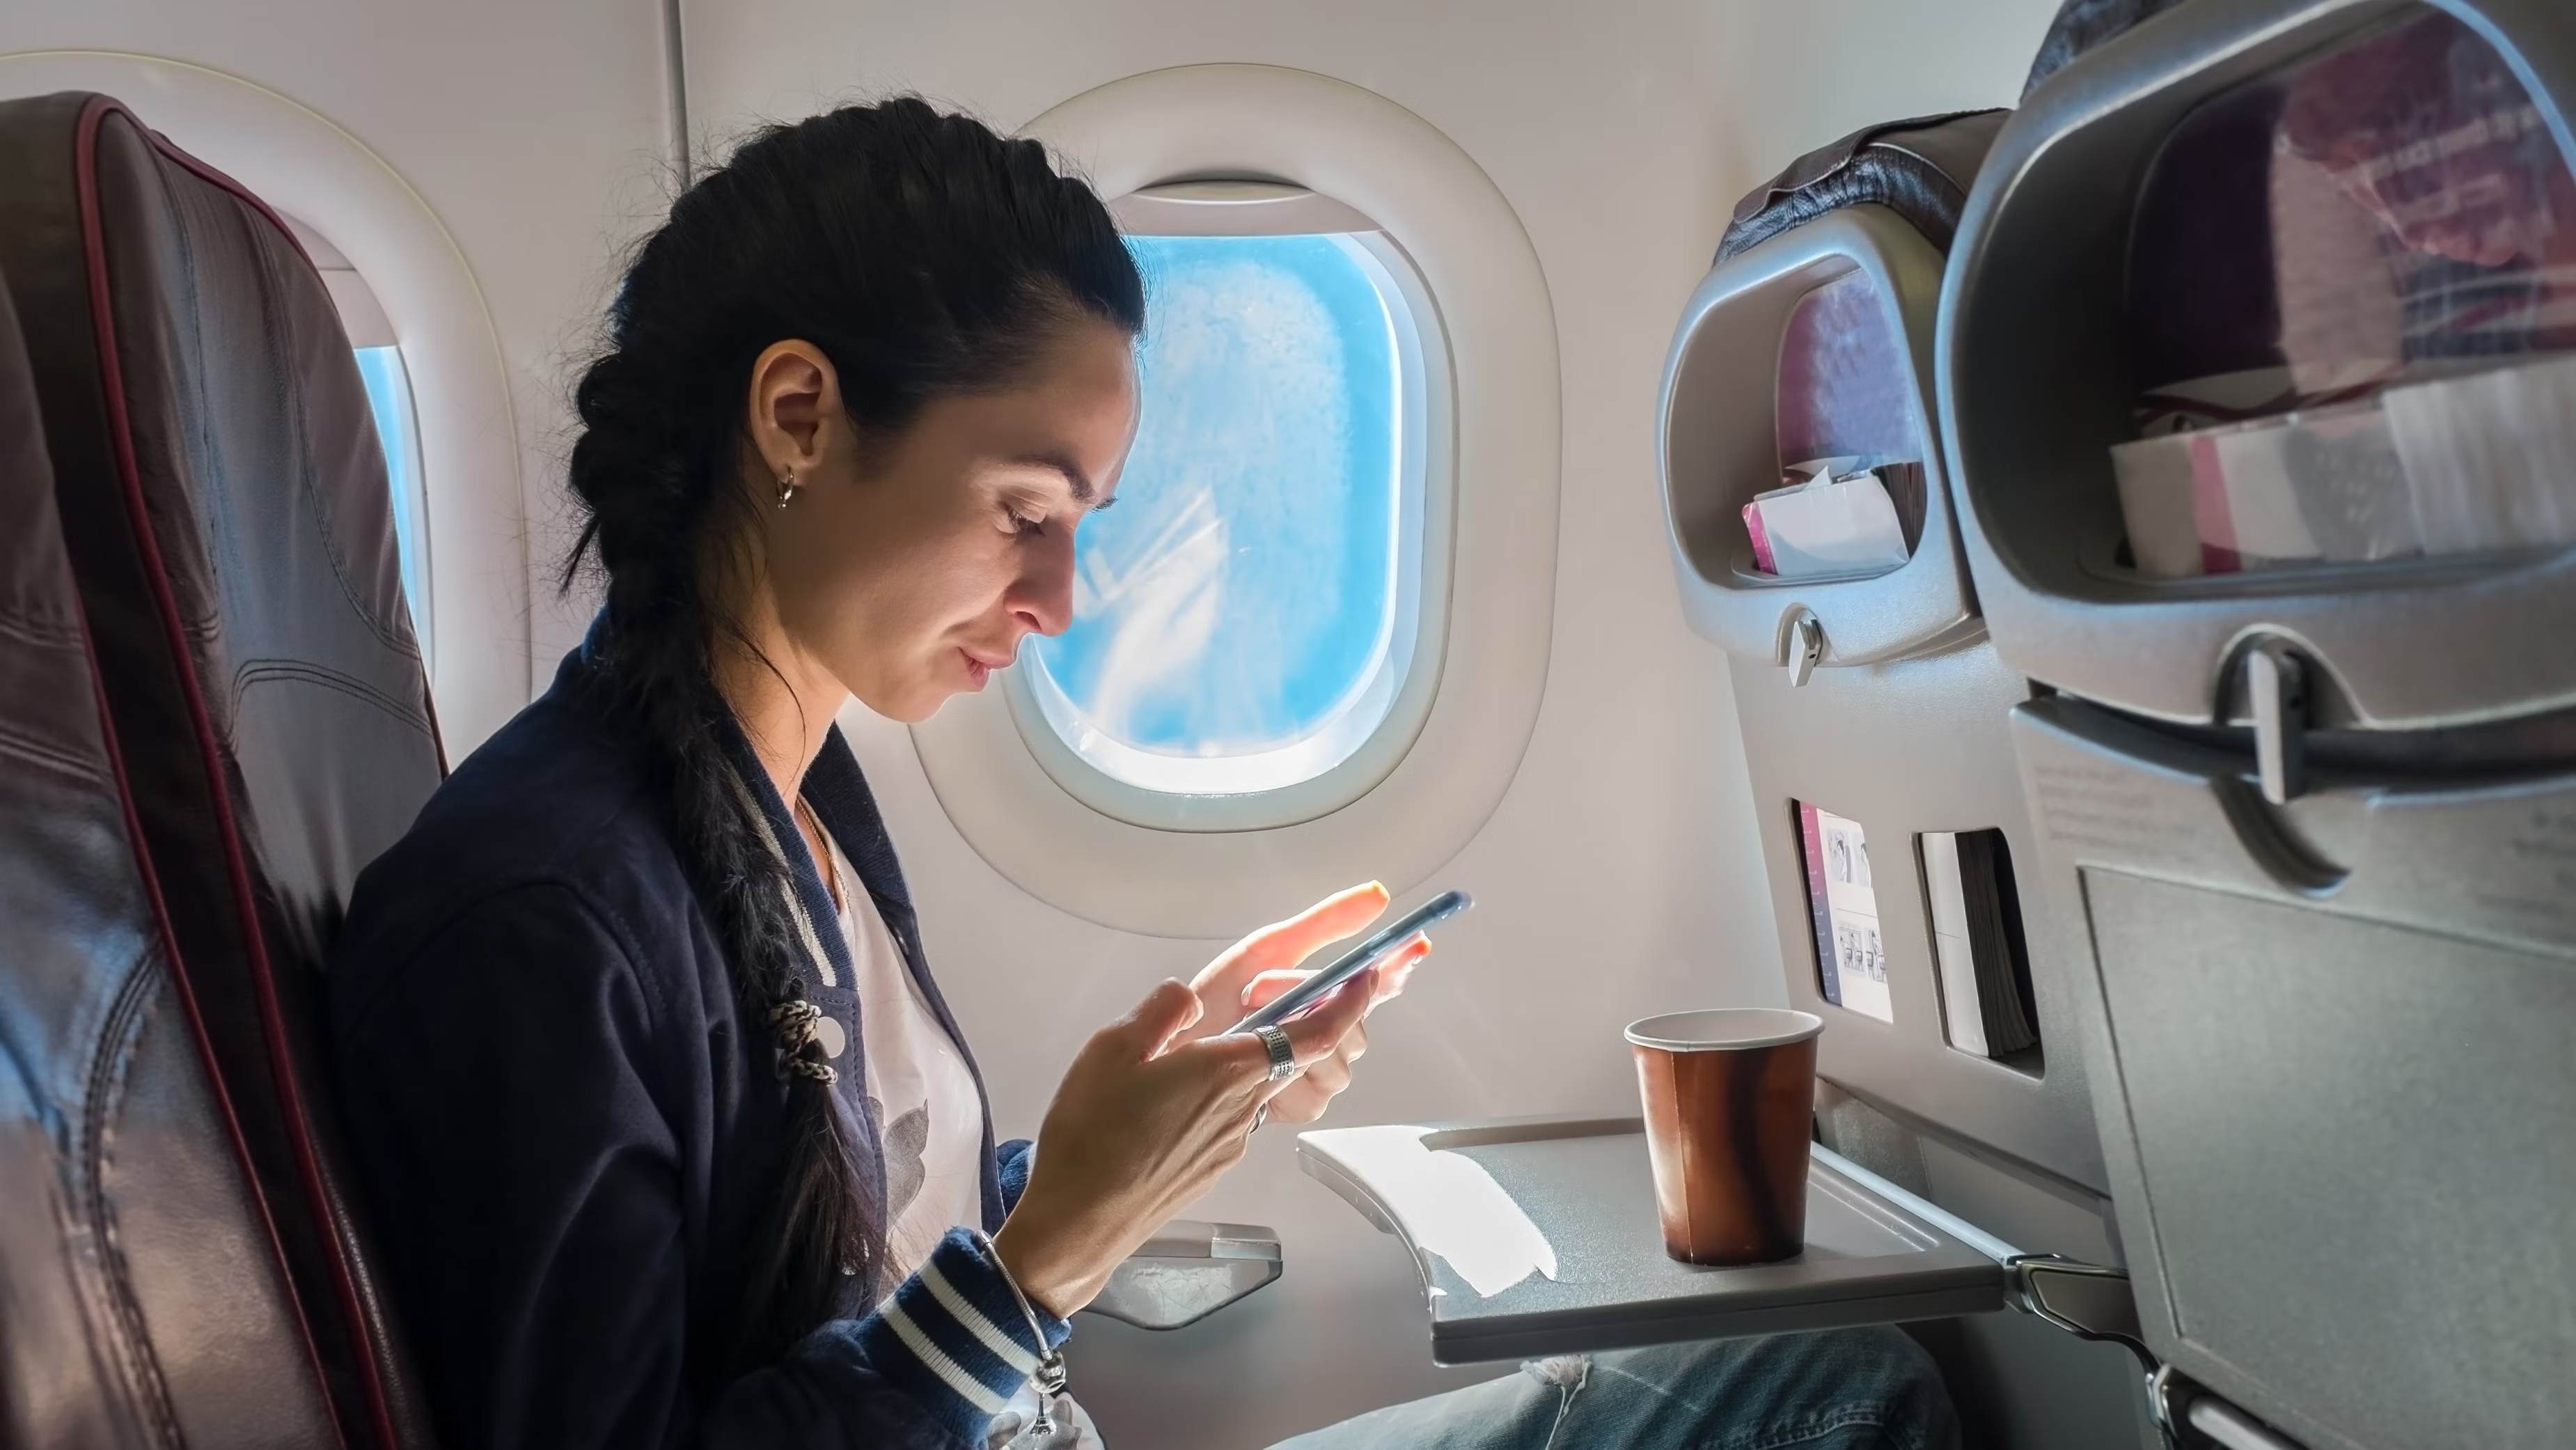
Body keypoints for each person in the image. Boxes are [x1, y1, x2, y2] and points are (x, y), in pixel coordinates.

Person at [326, 97, 1958, 1450]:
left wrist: (1143, 1141)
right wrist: (1051, 1257)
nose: (1056, 601)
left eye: (1085, 526)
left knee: (1836, 1381)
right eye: (1025, 510)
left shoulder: (790, 795)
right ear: (799, 415)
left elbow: (846, 1254)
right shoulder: (542, 922)